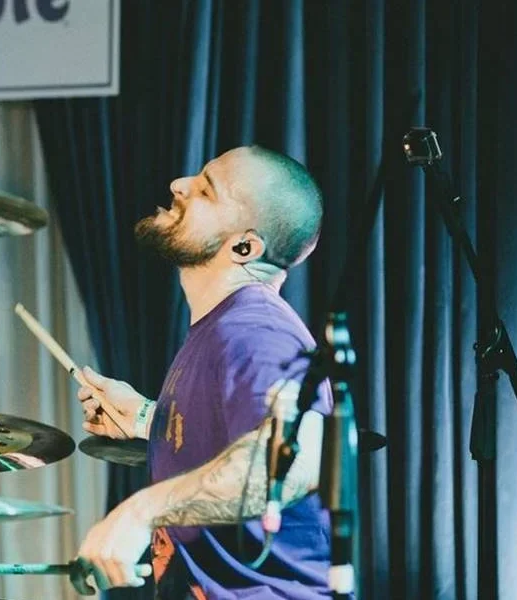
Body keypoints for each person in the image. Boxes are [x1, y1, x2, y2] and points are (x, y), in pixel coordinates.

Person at [71, 146, 334, 599]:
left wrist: (140, 511)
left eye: (205, 190)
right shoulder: (222, 327)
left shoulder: (255, 330)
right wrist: (144, 419)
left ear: (244, 246)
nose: (179, 185)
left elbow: (295, 460)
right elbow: (231, 438)